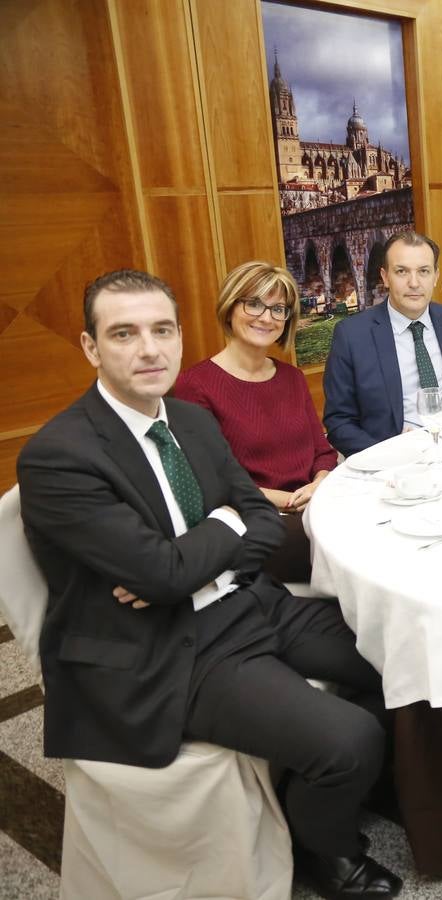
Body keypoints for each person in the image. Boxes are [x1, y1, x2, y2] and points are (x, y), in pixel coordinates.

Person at [17, 270, 403, 899]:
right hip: (168, 645)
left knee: (397, 651)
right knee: (350, 736)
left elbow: (260, 523)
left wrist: (197, 551)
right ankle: (324, 851)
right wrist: (207, 540)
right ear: (91, 347)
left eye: (161, 330)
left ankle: (358, 784)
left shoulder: (189, 421)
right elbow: (162, 577)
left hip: (248, 598)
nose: (148, 349)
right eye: (124, 333)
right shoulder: (59, 456)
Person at [175, 262, 336, 583]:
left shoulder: (291, 377)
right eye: (254, 303)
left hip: (315, 505)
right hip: (257, 519)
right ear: (230, 307)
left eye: (278, 309)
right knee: (359, 548)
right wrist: (291, 501)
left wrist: (319, 484)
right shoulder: (195, 386)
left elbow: (323, 451)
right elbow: (212, 482)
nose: (266, 317)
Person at [323, 230, 442, 457]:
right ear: (385, 277)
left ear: (435, 276)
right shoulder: (352, 336)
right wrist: (389, 453)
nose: (414, 283)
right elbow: (339, 422)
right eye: (402, 271)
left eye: (424, 271)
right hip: (394, 461)